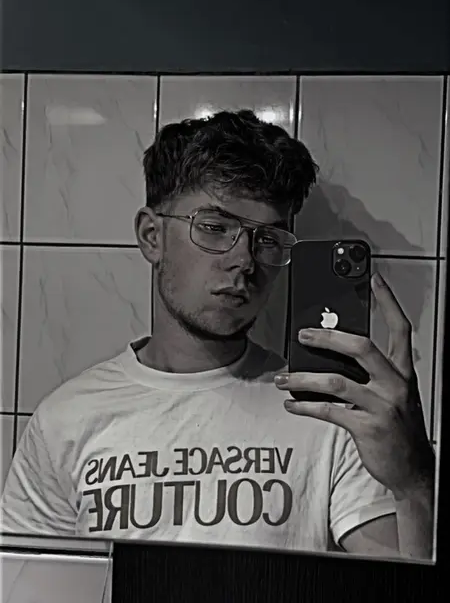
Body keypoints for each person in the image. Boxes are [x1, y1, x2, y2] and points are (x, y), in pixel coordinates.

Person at [0, 110, 435, 559]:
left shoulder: (327, 412)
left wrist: (413, 482)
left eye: (268, 240)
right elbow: (24, 582)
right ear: (152, 236)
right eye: (214, 228)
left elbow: (397, 582)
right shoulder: (66, 420)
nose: (245, 261)